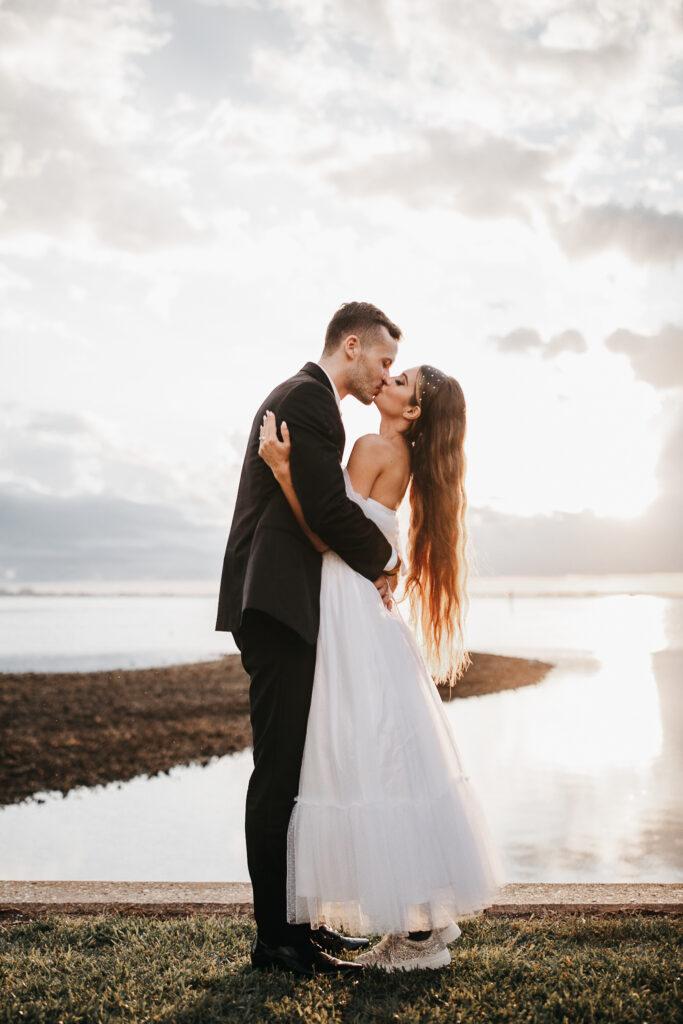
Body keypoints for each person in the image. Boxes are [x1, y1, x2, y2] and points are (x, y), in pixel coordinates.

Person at [257, 362, 506, 972]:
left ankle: (417, 934)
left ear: (413, 412)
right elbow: (363, 531)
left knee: (369, 757)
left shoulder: (372, 446)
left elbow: (323, 532)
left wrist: (285, 470)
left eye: (400, 383)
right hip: (362, 602)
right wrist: (385, 564)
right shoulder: (403, 456)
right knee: (391, 759)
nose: (386, 383)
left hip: (347, 602)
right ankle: (421, 923)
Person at [215, 301, 406, 978]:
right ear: (350, 346)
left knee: (296, 771)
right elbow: (324, 509)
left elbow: (320, 506)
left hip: (286, 603)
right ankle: (276, 942)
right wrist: (387, 563)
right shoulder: (308, 399)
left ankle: (301, 928)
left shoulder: (307, 400)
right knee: (278, 775)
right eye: (383, 360)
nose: (386, 375)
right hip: (277, 604)